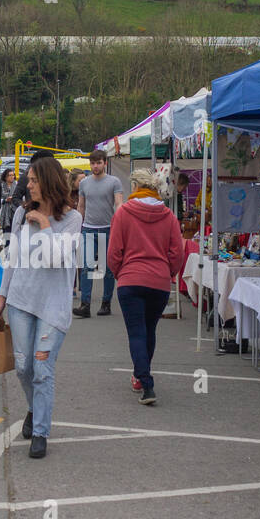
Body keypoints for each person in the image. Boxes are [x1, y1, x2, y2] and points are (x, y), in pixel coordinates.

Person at [0, 157, 82, 459]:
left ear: (48, 182)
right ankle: (35, 408)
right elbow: (12, 259)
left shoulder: (72, 219)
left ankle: (41, 430)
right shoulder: (20, 213)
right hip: (20, 301)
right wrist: (2, 298)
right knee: (23, 366)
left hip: (52, 306)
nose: (27, 186)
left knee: (42, 368)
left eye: (32, 180)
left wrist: (44, 224)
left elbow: (56, 257)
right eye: (27, 180)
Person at [108, 168, 185, 405]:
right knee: (149, 330)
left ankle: (145, 381)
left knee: (136, 332)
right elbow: (177, 252)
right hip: (159, 281)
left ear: (134, 187)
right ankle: (141, 376)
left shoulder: (123, 213)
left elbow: (114, 252)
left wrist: (120, 273)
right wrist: (168, 273)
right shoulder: (169, 216)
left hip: (131, 280)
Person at [74, 148, 124, 318]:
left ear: (105, 163)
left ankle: (106, 302)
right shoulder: (84, 183)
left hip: (109, 228)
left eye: (98, 163)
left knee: (108, 268)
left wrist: (119, 222)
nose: (95, 166)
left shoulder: (114, 181)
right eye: (93, 163)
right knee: (87, 266)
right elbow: (81, 206)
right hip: (88, 227)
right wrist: (78, 225)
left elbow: (119, 203)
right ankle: (85, 304)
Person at [0, 168, 18, 232]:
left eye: (13, 175)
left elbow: (21, 197)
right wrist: (5, 200)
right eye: (10, 175)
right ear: (5, 177)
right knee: (6, 232)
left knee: (14, 231)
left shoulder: (17, 186)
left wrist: (14, 199)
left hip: (15, 211)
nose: (12, 177)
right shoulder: (1, 186)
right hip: (4, 211)